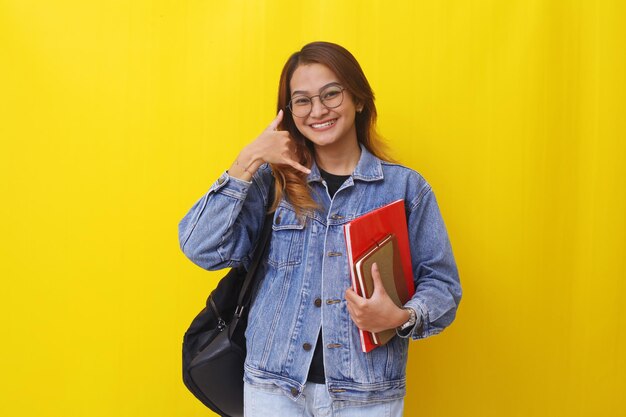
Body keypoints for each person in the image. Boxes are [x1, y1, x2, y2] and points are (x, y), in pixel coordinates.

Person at [178, 41, 462, 417]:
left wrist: (400, 317)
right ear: (289, 112)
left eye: (331, 94)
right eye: (302, 100)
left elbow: (443, 285)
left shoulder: (405, 190)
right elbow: (199, 246)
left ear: (358, 100)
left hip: (366, 395)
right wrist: (249, 159)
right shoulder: (270, 183)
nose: (318, 110)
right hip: (273, 388)